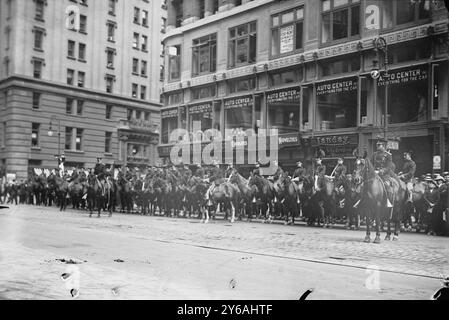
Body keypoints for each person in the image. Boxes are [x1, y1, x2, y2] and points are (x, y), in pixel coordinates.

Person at [372, 138, 396, 207]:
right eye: (377, 145)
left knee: (387, 187)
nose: (377, 146)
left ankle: (388, 200)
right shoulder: (374, 154)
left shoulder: (388, 155)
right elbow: (371, 164)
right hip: (374, 174)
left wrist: (381, 171)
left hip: (384, 175)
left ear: (383, 146)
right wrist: (372, 170)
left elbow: (389, 167)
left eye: (379, 145)